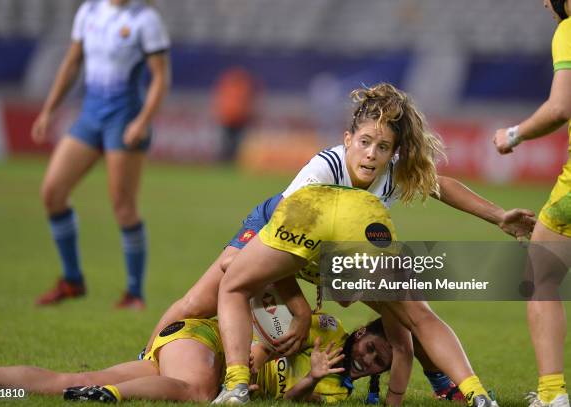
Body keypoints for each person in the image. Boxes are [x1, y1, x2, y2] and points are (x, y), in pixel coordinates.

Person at [144, 83, 532, 404]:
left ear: (393, 151)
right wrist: (298, 310)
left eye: (382, 148)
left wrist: (498, 217)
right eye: (364, 143)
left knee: (415, 313)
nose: (371, 154)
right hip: (281, 230)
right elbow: (284, 244)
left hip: (339, 249)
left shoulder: (392, 173)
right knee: (201, 299)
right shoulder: (321, 172)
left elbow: (441, 186)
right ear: (347, 139)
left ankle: (466, 390)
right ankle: (150, 360)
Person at [213, 185, 498, 407]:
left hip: (335, 235)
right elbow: (233, 266)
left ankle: (451, 386)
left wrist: (393, 402)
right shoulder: (313, 235)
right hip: (279, 219)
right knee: (201, 300)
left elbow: (406, 345)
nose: (348, 302)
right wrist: (299, 311)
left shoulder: (381, 285)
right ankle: (227, 375)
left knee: (417, 319)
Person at [31, 0, 171, 309]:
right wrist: (48, 110)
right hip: (90, 116)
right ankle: (72, 280)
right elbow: (71, 63)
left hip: (124, 118)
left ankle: (134, 293)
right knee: (52, 193)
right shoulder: (88, 11)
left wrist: (143, 120)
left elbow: (160, 77)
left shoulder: (145, 19)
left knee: (123, 207)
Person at [0, 314, 392, 403]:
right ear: (361, 333)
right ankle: (109, 394)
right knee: (200, 392)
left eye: (380, 363)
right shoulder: (328, 328)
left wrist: (313, 378)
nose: (370, 360)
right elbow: (267, 321)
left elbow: (295, 401)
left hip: (185, 351)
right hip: (204, 338)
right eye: (371, 347)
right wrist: (256, 360)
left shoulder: (339, 390)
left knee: (70, 377)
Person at [492, 1, 571, 406]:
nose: (545, 2)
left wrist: (514, 134)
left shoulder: (568, 30)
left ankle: (553, 394)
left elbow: (560, 108)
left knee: (541, 278)